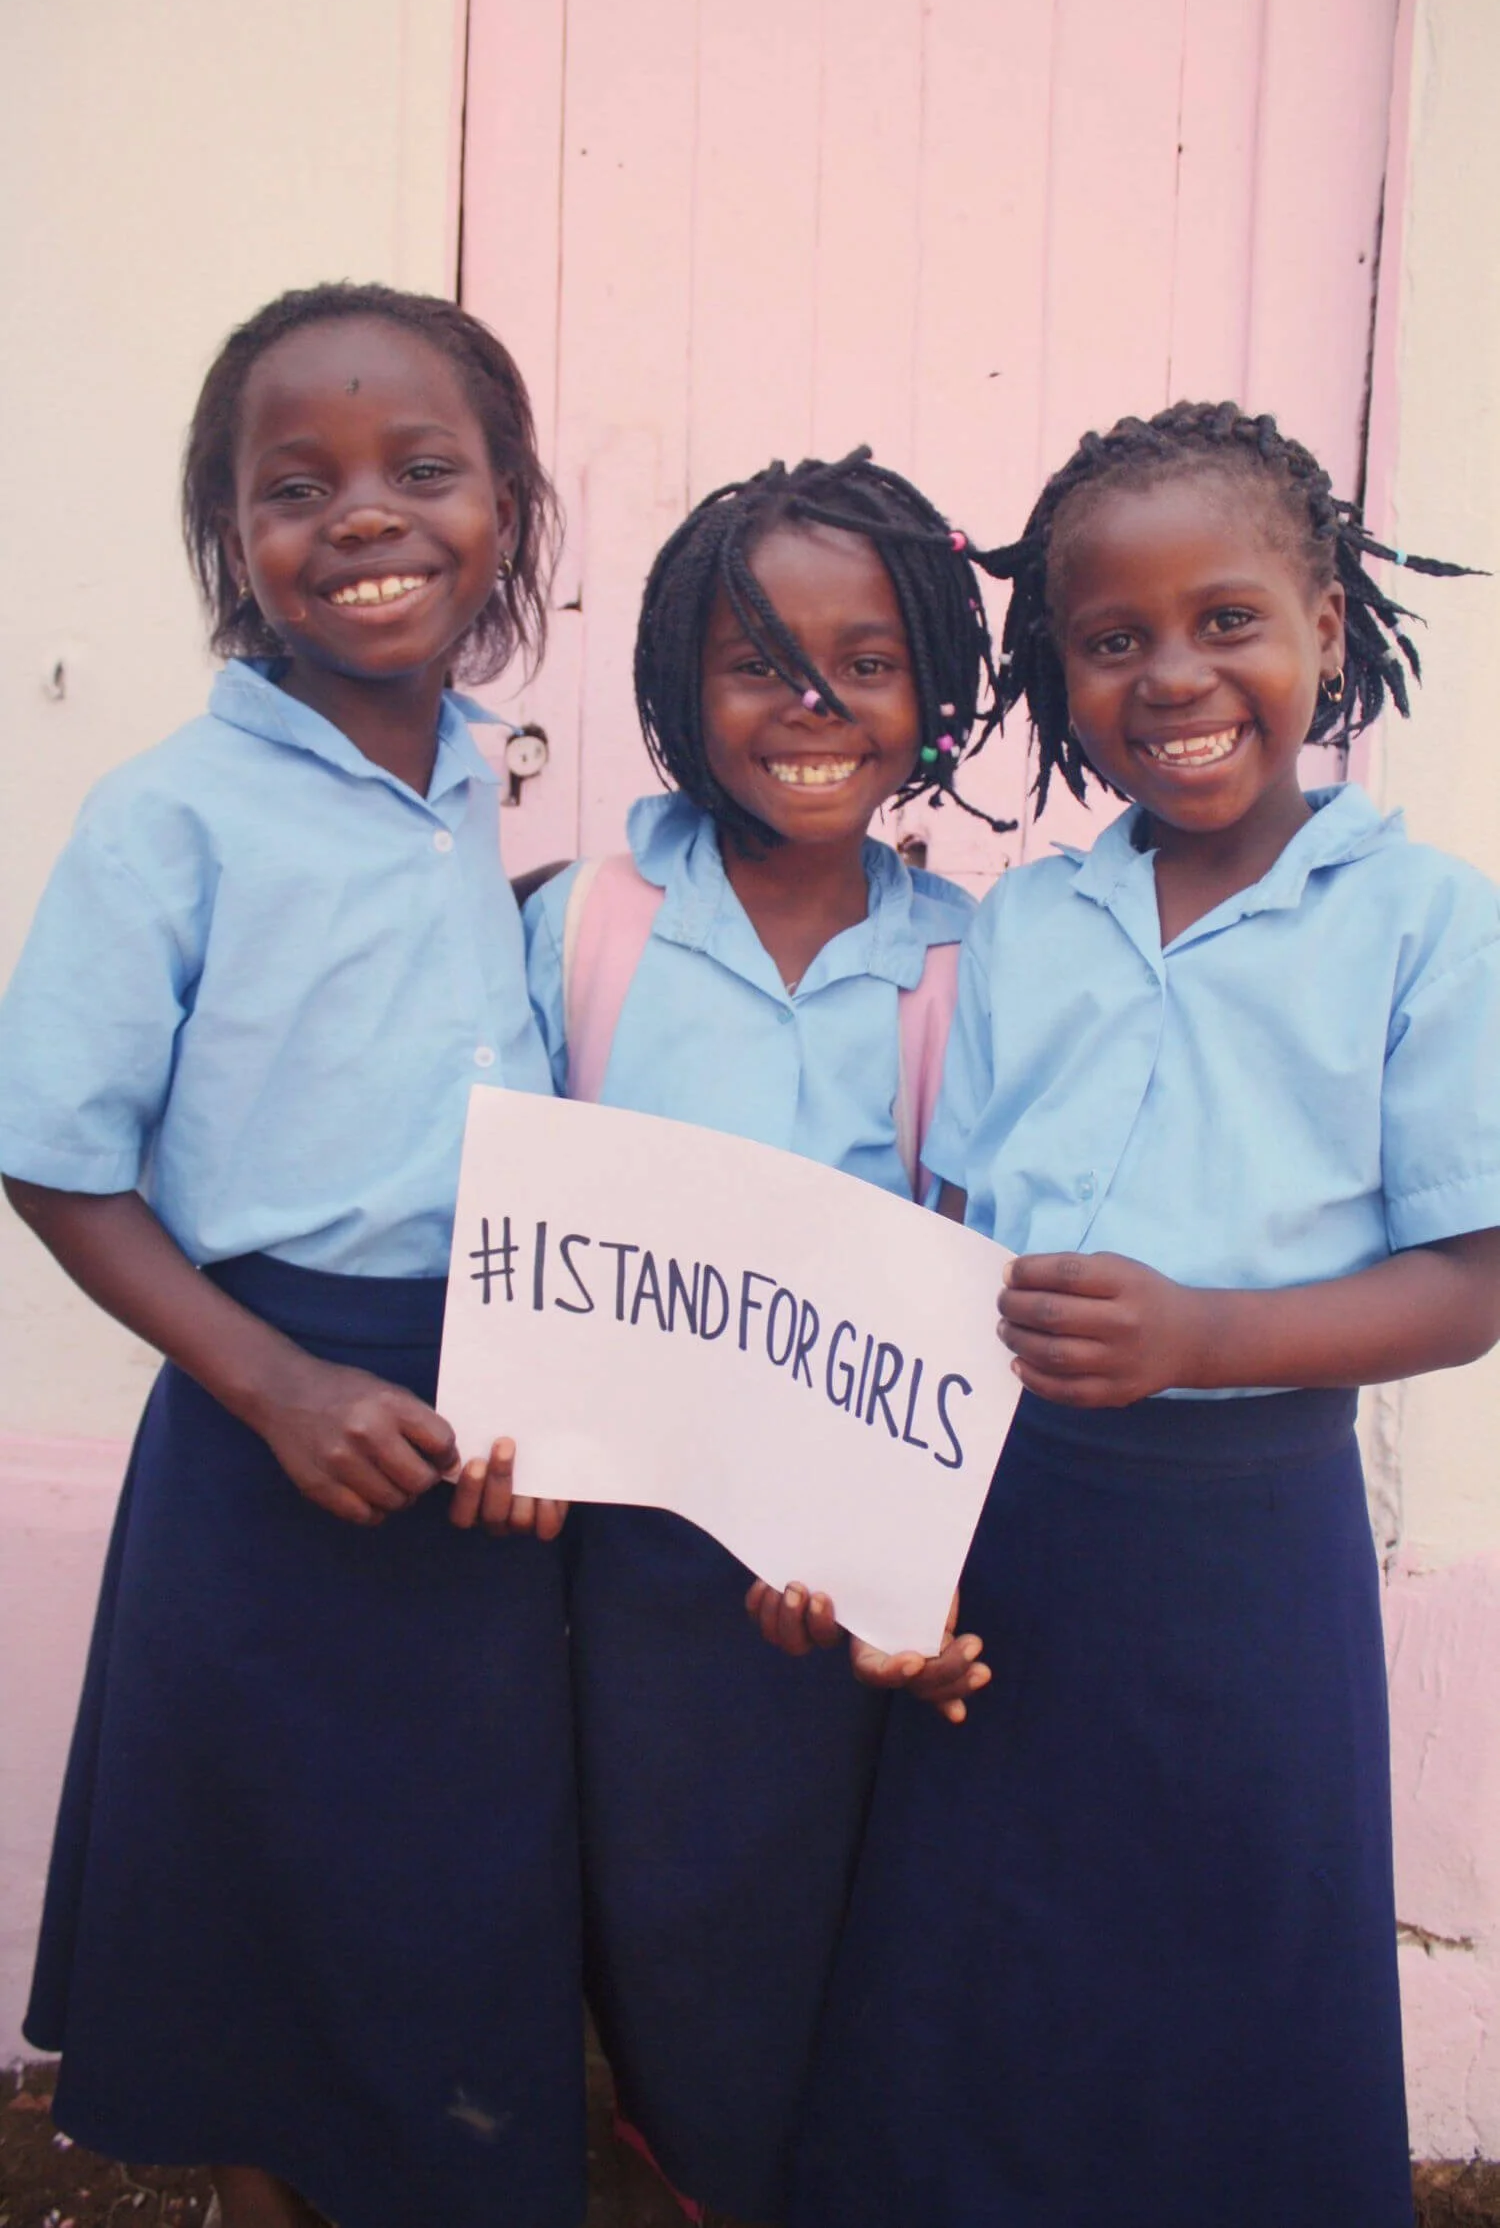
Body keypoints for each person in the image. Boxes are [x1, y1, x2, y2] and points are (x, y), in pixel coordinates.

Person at [782, 402, 1500, 2228]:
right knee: (985, 1956)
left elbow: (1474, 1280)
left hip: (1251, 1544)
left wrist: (1209, 1337)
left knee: (1238, 1953)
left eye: (1228, 619)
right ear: (1055, 673)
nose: (1174, 675)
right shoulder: (1020, 931)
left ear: (1329, 626)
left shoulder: (1424, 923)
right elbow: (940, 1240)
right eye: (1113, 640)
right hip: (1016, 1523)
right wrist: (898, 1540)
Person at [0, 283, 584, 2228]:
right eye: (295, 484)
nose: (364, 519)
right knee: (266, 1943)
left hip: (485, 1446)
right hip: (271, 1438)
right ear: (226, 536)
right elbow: (55, 1161)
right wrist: (274, 1383)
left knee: (448, 1926)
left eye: (426, 471)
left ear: (509, 510)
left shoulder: (476, 792)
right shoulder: (170, 817)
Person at [522, 449, 1003, 2226]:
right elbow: (514, 1234)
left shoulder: (964, 960)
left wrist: (886, 1554)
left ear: (933, 693)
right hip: (608, 1579)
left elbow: (960, 1277)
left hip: (838, 1596)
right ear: (673, 686)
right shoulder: (589, 923)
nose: (810, 707)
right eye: (755, 662)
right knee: (634, 1929)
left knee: (822, 1950)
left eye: (864, 663)